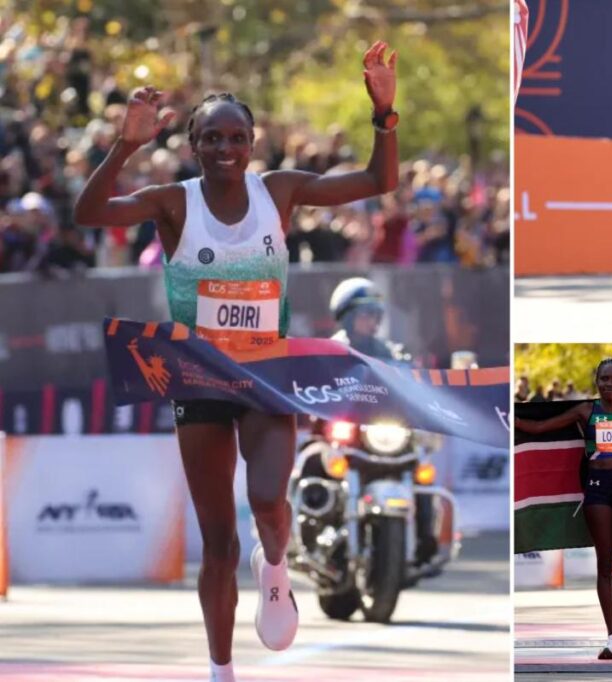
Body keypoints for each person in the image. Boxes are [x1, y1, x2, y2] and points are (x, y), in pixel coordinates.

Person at [73, 42, 399, 682]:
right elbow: (89, 215)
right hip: (197, 380)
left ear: (253, 143)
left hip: (267, 377)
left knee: (269, 504)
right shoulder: (173, 203)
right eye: (213, 137)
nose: (226, 148)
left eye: (238, 137)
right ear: (193, 143)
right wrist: (125, 146)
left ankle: (275, 565)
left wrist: (384, 114)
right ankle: (222, 670)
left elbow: (377, 181)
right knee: (217, 540)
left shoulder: (278, 192)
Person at [515, 358, 612, 661]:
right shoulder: (585, 411)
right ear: (596, 380)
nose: (609, 384)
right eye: (604, 379)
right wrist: (515, 421)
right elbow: (540, 427)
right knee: (604, 566)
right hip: (598, 492)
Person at [329, 276, 408, 362]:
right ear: (347, 317)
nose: (373, 322)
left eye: (377, 315)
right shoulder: (330, 353)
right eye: (366, 313)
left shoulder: (387, 353)